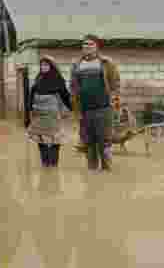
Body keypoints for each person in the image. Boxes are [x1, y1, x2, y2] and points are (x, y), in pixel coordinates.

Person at [71, 35, 121, 171]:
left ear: (97, 47)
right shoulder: (77, 65)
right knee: (89, 142)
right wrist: (76, 110)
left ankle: (107, 171)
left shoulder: (106, 63)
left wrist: (115, 106)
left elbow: (115, 85)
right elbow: (74, 87)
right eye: (84, 44)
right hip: (85, 110)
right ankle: (92, 171)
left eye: (90, 44)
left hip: (104, 108)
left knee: (105, 142)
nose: (87, 47)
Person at [25, 56, 73, 167]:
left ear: (51, 66)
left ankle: (53, 163)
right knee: (40, 138)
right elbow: (31, 94)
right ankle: (45, 163)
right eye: (41, 65)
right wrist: (29, 110)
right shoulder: (38, 78)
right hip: (38, 114)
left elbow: (65, 95)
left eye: (46, 65)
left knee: (55, 138)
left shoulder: (58, 79)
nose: (43, 67)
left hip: (52, 114)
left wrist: (72, 109)